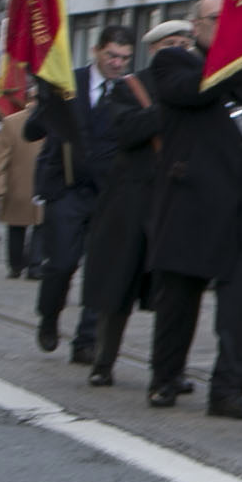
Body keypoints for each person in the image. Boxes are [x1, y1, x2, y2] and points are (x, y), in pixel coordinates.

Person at [142, 0, 242, 417]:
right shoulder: (175, 62)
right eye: (215, 20)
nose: (224, 27)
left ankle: (228, 389)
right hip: (193, 203)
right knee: (178, 302)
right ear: (196, 26)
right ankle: (165, 377)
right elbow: (191, 92)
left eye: (234, 21)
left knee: (240, 309)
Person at [27, 23, 135, 361]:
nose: (117, 63)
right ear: (96, 51)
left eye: (124, 58)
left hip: (108, 193)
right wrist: (46, 101)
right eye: (111, 56)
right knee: (60, 263)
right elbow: (32, 132)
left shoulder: (131, 91)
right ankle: (49, 316)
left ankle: (86, 341)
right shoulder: (67, 84)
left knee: (100, 270)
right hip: (68, 189)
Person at [80, 22, 176, 392]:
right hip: (131, 205)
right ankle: (103, 361)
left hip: (173, 203)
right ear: (154, 50)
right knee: (116, 289)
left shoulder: (201, 87)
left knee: (173, 294)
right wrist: (167, 106)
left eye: (184, 42)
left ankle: (167, 371)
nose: (180, 48)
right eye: (171, 43)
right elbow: (126, 130)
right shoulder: (129, 87)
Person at [0, 96, 39, 279]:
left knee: (23, 227)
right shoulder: (54, 120)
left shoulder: (11, 122)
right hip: (30, 184)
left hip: (24, 185)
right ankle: (27, 265)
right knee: (31, 226)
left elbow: (0, 159)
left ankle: (24, 266)